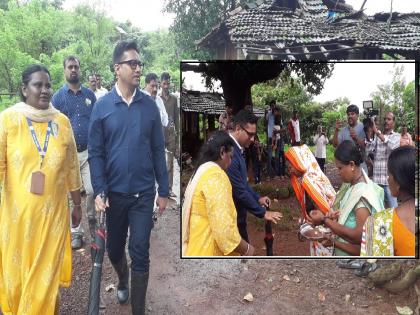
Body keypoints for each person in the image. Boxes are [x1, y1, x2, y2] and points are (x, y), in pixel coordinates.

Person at [88, 41, 168, 313]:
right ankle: (123, 277)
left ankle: (138, 310)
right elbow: (96, 153)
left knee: (140, 252)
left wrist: (164, 190)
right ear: (117, 68)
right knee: (113, 249)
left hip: (144, 193)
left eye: (139, 63)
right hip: (115, 196)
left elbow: (158, 148)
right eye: (132, 64)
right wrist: (100, 189)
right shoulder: (102, 107)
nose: (138, 68)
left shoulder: (149, 106)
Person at [0, 64, 82, 314]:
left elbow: (72, 167)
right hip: (17, 220)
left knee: (45, 283)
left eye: (48, 85)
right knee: (17, 281)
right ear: (24, 89)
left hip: (52, 217)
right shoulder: (8, 120)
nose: (45, 90)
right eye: (38, 85)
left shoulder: (62, 122)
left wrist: (77, 204)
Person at [182, 131, 255, 256]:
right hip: (209, 253)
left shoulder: (200, 173)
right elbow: (224, 230)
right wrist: (247, 249)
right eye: (230, 156)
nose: (231, 162)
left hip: (194, 249)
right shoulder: (216, 176)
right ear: (222, 152)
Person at [309, 140, 384, 256]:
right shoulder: (352, 186)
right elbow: (350, 217)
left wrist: (325, 221)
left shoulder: (363, 194)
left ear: (352, 165)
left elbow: (358, 237)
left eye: (340, 168)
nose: (338, 172)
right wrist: (336, 217)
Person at [52, 56, 97, 249]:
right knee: (72, 194)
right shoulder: (57, 97)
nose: (73, 70)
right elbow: (52, 126)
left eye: (76, 67)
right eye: (69, 67)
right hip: (67, 156)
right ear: (64, 70)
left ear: (80, 69)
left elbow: (97, 122)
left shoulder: (89, 95)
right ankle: (76, 231)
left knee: (92, 190)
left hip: (88, 153)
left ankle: (92, 223)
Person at [227, 110, 282, 242]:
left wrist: (258, 198)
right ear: (238, 128)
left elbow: (243, 184)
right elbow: (239, 191)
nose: (252, 139)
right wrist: (262, 213)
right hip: (230, 218)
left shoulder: (239, 149)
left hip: (239, 216)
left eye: (254, 135)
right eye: (250, 135)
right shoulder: (229, 153)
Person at [361, 146, 415, 256]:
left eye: (389, 174)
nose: (387, 179)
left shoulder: (378, 222)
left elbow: (371, 266)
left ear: (399, 181)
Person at [284, 144, 336, 256]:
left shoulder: (308, 181)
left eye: (291, 167)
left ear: (299, 163)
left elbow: (323, 210)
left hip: (325, 227)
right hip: (330, 223)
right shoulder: (314, 172)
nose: (290, 171)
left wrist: (310, 223)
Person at [366, 112, 400, 208]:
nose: (386, 121)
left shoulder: (396, 136)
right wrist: (369, 134)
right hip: (377, 179)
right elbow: (368, 150)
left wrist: (377, 133)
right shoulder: (377, 136)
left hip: (390, 181)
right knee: (378, 209)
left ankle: (397, 223)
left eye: (389, 119)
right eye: (385, 119)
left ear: (393, 122)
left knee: (394, 209)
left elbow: (392, 146)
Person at [160, 72, 179, 199]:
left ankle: (169, 189)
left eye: (168, 83)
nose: (166, 86)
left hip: (171, 135)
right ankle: (161, 188)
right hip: (159, 134)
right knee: (160, 162)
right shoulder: (156, 98)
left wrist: (177, 138)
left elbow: (176, 119)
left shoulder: (174, 99)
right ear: (161, 83)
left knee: (170, 163)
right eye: (164, 83)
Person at [333, 104, 367, 173]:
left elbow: (367, 146)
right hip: (347, 169)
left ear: (357, 116)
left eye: (352, 114)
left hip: (361, 168)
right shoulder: (343, 130)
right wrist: (336, 130)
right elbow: (335, 145)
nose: (350, 116)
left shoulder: (364, 128)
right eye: (348, 114)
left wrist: (356, 138)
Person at [272, 107, 285, 179]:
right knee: (278, 157)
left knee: (279, 158)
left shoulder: (278, 125)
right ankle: (279, 174)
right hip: (279, 142)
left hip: (280, 142)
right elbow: (277, 135)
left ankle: (280, 174)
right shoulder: (277, 126)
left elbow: (279, 134)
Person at [265, 101, 276, 178]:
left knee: (277, 156)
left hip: (277, 137)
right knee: (269, 156)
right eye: (271, 106)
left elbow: (280, 124)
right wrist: (269, 112)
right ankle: (269, 174)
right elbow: (266, 119)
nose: (273, 107)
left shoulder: (277, 114)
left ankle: (276, 173)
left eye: (274, 106)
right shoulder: (268, 113)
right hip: (270, 137)